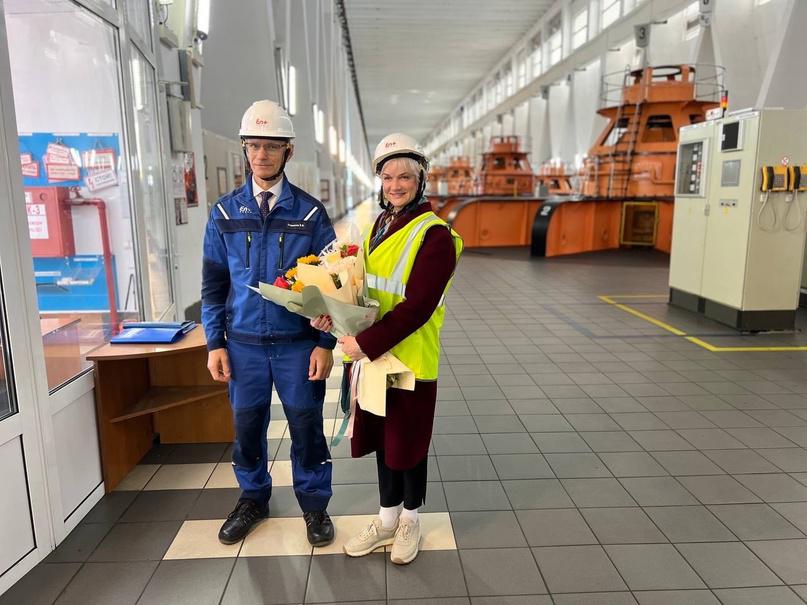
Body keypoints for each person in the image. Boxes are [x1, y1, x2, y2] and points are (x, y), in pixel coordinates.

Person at [314, 133, 462, 564]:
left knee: (409, 443)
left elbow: (417, 308)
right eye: (388, 177)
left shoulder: (435, 236)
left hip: (410, 359)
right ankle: (386, 519)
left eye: (404, 177)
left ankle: (410, 520)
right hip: (377, 358)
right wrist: (333, 315)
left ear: (421, 180)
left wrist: (362, 342)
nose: (395, 185)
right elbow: (363, 291)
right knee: (384, 439)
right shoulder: (379, 225)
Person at [202, 100, 336, 547]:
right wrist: (215, 343)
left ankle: (314, 505)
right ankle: (253, 499)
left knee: (306, 426)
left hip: (297, 344)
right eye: (254, 145)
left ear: (287, 151)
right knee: (247, 428)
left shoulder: (311, 215)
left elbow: (332, 286)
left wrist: (324, 344)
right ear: (244, 149)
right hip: (243, 346)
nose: (261, 155)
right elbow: (213, 285)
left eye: (271, 146)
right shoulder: (224, 214)